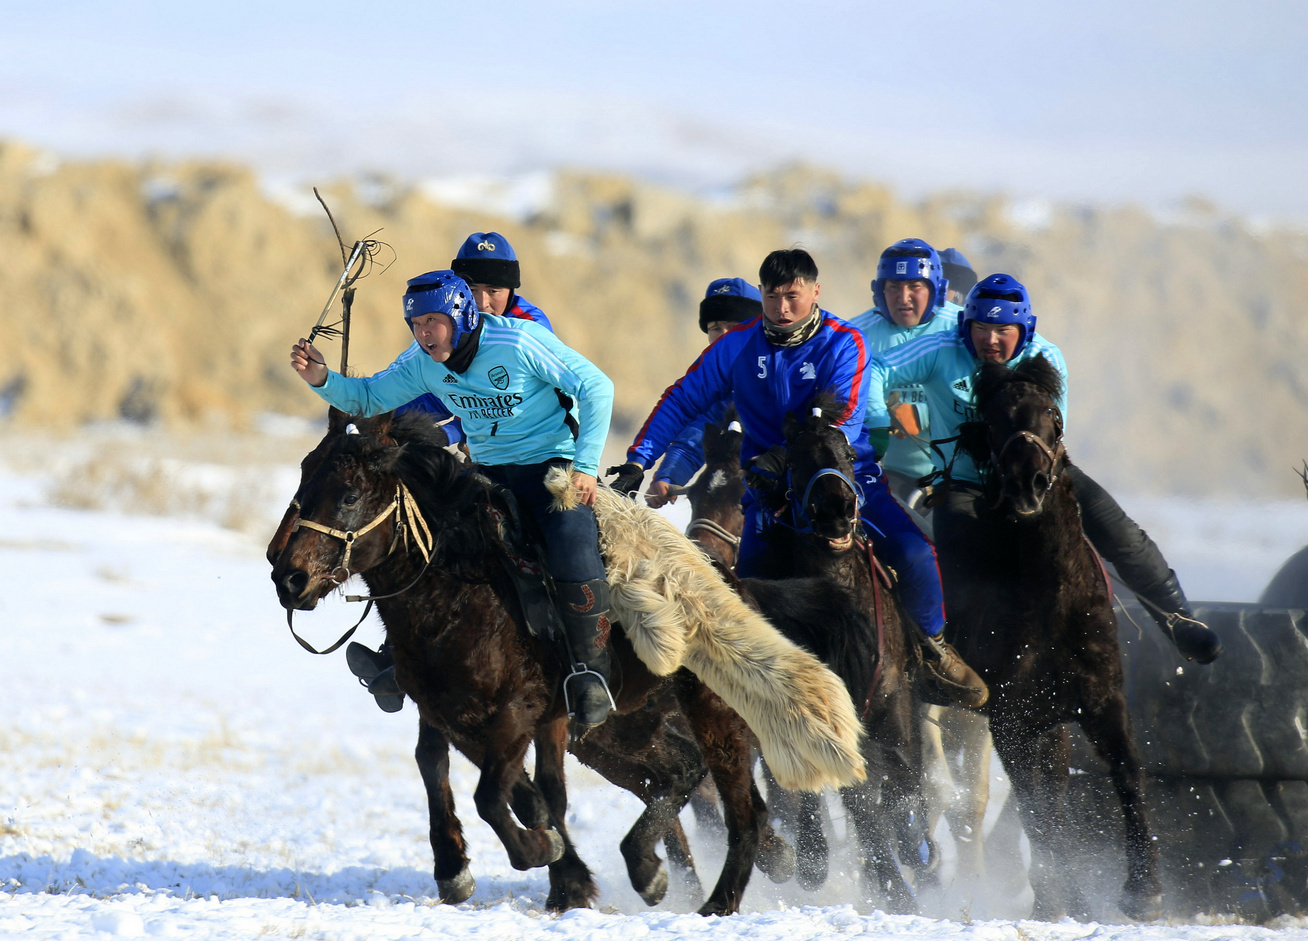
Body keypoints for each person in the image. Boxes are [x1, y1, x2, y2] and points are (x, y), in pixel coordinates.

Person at [610, 249, 988, 708]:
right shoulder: (737, 345)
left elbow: (841, 419)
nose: (782, 308)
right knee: (746, 597)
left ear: (814, 292)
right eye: (772, 297)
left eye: (792, 296)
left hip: (845, 480)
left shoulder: (844, 341)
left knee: (914, 555)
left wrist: (783, 455)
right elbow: (682, 400)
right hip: (770, 495)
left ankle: (933, 651)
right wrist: (638, 461)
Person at [290, 269, 619, 728]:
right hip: (487, 474)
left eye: (433, 321)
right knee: (432, 545)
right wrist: (322, 377)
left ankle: (591, 674)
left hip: (551, 469)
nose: (424, 333)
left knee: (571, 546)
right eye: (416, 324)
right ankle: (405, 660)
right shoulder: (423, 362)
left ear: (461, 315)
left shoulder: (518, 341)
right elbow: (369, 397)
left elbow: (597, 386)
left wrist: (584, 466)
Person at [864, 273, 1222, 663]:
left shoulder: (1045, 358)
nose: (991, 340)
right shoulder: (939, 348)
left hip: (1041, 478)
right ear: (966, 326)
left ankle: (1180, 622)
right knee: (958, 569)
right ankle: (951, 663)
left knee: (1123, 535)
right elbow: (876, 367)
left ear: (1025, 330)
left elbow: (1050, 437)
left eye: (1003, 330)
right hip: (966, 483)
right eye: (981, 328)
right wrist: (879, 421)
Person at [396, 232, 553, 442]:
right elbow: (439, 389)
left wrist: (450, 433)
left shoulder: (530, 328)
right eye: (471, 290)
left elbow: (513, 403)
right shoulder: (450, 321)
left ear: (510, 290)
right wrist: (383, 417)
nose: (482, 303)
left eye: (494, 291)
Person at [848, 238, 962, 524]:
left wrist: (921, 415)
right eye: (894, 287)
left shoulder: (962, 330)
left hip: (961, 475)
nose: (903, 297)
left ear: (936, 289)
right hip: (886, 474)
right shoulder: (854, 336)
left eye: (915, 286)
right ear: (879, 291)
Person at [645, 277, 763, 509]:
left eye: (735, 326)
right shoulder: (718, 389)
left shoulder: (782, 371)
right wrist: (668, 478)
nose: (724, 335)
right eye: (715, 328)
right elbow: (695, 439)